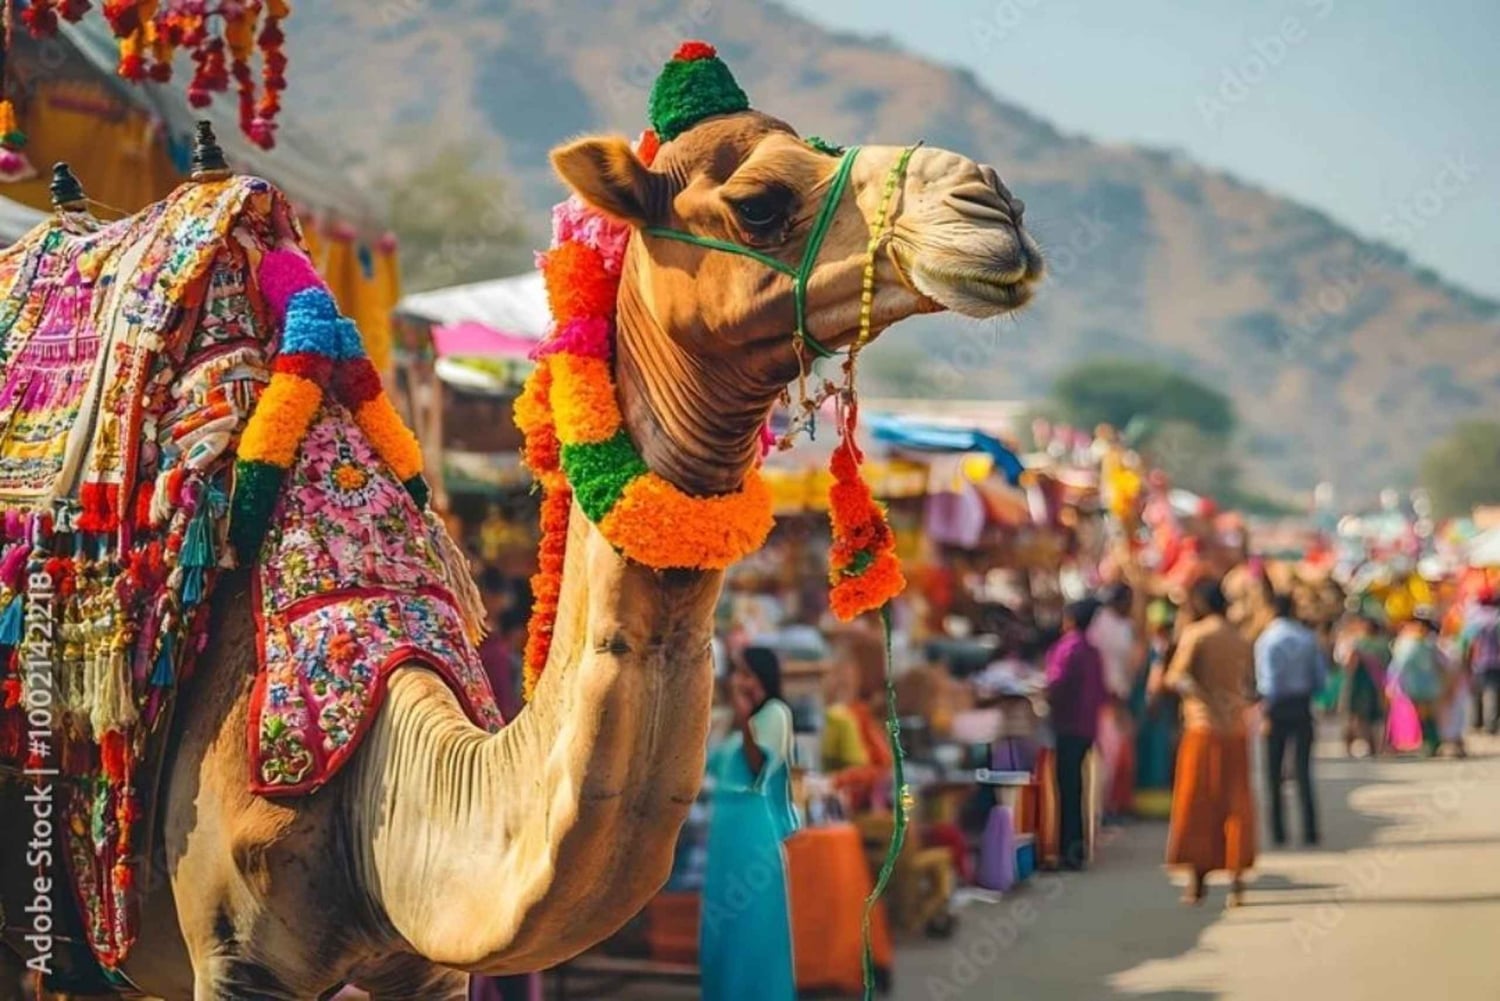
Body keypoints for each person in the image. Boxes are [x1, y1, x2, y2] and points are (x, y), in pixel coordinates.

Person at [700, 646, 799, 1001]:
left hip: (754, 828)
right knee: (720, 924)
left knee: (752, 923)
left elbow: (759, 766)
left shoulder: (776, 713)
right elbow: (708, 767)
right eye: (736, 673)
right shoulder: (729, 718)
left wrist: (744, 718)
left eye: (747, 674)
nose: (739, 681)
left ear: (762, 678)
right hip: (725, 827)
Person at [1164, 579, 1257, 907]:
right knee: (1235, 802)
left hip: (1203, 727)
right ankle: (1237, 883)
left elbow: (1176, 677)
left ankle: (1197, 883)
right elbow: (1251, 684)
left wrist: (1202, 697)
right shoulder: (1240, 638)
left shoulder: (1197, 634)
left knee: (1197, 802)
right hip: (1235, 727)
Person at [1254, 594, 1324, 848]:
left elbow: (1268, 681)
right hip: (1302, 706)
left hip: (1277, 709)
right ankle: (1310, 831)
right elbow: (1319, 680)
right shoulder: (1307, 638)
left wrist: (1265, 713)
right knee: (1303, 772)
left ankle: (1279, 833)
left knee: (1273, 774)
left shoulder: (1267, 640)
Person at [1046, 599, 1107, 870]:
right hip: (1086, 727)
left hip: (1068, 726)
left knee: (1068, 789)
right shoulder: (1092, 651)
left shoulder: (1069, 648)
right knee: (1077, 788)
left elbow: (1056, 685)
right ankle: (1076, 849)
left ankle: (1068, 851)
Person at [1089, 583, 1140, 820]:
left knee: (1118, 752)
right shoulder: (1102, 625)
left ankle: (1113, 804)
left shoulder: (1124, 626)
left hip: (1117, 695)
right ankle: (1103, 806)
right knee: (1108, 753)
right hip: (1106, 697)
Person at [1389, 613, 1446, 757]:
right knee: (1427, 714)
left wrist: (1393, 683)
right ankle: (1432, 742)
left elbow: (1400, 665)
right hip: (1429, 684)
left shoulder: (1410, 644)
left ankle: (1431, 742)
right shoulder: (1429, 644)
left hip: (1416, 685)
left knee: (1423, 715)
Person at [1338, 614, 1390, 757]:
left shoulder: (1356, 643)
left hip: (1356, 684)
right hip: (1376, 685)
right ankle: (1373, 749)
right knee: (1372, 719)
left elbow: (1349, 664)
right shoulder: (1383, 645)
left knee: (1352, 717)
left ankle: (1349, 749)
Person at [1462, 589, 1500, 733]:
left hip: (1476, 662)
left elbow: (1466, 642)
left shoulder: (1473, 620)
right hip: (1495, 662)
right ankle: (1490, 725)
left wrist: (1465, 661)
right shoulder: (1497, 619)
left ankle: (1474, 723)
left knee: (1474, 693)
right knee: (1491, 693)